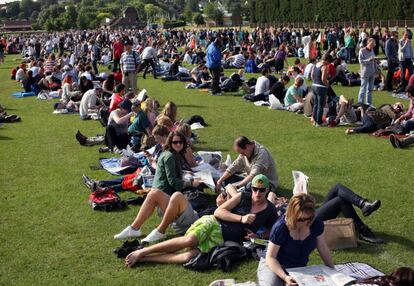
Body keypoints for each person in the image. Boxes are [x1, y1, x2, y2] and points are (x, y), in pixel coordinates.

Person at [124, 174, 278, 267]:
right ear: (251, 188)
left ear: (267, 190)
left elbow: (274, 230)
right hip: (213, 223)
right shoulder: (243, 197)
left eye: (261, 190)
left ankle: (147, 258)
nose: (257, 193)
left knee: (188, 257)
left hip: (222, 240)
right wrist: (241, 218)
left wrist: (259, 237)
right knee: (189, 240)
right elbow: (219, 211)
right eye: (255, 189)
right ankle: (143, 250)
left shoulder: (269, 209)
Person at [114, 131, 202, 243]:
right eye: (175, 142)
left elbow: (172, 176)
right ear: (170, 142)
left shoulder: (168, 153)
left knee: (155, 193)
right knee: (172, 195)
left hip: (167, 203)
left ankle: (136, 228)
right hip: (170, 200)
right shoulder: (170, 156)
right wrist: (191, 183)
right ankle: (153, 231)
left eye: (181, 142)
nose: (178, 144)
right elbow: (172, 181)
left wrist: (186, 176)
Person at [257, 193, 334, 286]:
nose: (305, 222)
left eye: (309, 218)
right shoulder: (281, 227)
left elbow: (322, 247)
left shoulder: (315, 223)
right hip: (273, 265)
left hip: (297, 268)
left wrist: (333, 271)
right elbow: (271, 257)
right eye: (300, 219)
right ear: (292, 215)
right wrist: (285, 277)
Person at [311, 53, 332, 126]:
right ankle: (319, 122)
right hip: (320, 87)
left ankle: (314, 120)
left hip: (314, 85)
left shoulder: (316, 64)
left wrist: (315, 81)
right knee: (320, 105)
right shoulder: (325, 66)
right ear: (327, 60)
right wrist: (327, 84)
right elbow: (323, 79)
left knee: (315, 104)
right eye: (329, 62)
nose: (329, 64)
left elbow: (312, 75)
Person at [358, 38, 377, 106]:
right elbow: (361, 61)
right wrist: (369, 60)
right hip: (365, 73)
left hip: (372, 72)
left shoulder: (372, 50)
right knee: (363, 89)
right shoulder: (362, 50)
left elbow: (374, 61)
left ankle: (369, 103)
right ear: (367, 43)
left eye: (373, 44)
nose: (372, 46)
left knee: (370, 90)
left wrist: (376, 70)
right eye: (371, 44)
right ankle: (360, 103)